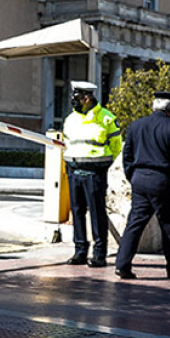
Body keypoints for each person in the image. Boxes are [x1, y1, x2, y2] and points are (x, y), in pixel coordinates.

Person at [114, 91, 170, 280]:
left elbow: (127, 156)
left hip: (140, 180)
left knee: (134, 224)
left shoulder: (135, 125)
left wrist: (133, 176)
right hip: (163, 181)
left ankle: (122, 264)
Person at [61, 80, 122, 268]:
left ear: (87, 98)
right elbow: (67, 143)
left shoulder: (106, 118)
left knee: (97, 213)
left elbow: (116, 147)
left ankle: (99, 254)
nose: (74, 101)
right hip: (74, 171)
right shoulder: (71, 119)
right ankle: (80, 251)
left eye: (77, 98)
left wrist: (102, 165)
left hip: (95, 172)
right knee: (77, 212)